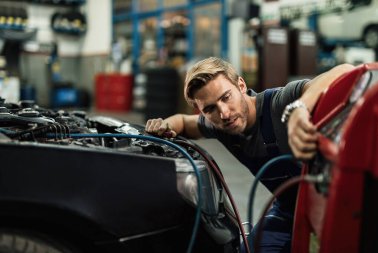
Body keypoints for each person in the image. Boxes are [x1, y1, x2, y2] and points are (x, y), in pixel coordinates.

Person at [145, 57, 354, 253]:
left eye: (226, 97)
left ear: (241, 85)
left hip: (331, 208)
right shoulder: (217, 126)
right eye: (210, 109)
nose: (224, 113)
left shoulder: (278, 104)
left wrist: (299, 108)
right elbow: (183, 122)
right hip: (289, 209)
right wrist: (164, 125)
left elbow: (346, 71)